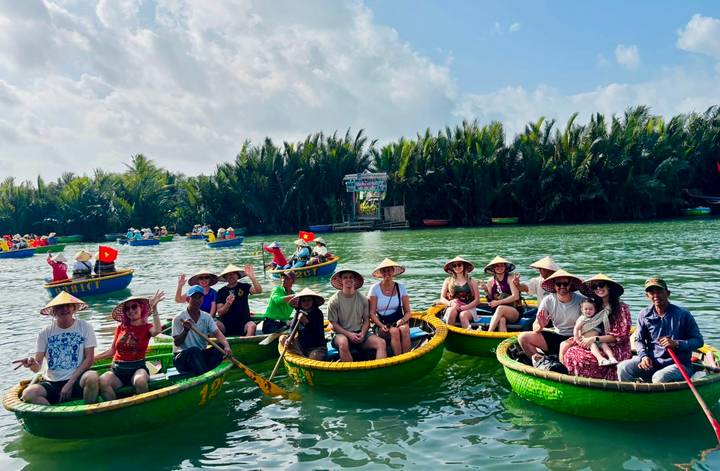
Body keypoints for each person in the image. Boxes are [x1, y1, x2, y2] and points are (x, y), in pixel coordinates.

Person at [16, 292, 99, 405]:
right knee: (28, 394)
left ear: (74, 308)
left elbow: (89, 359)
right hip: (52, 381)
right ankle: (55, 418)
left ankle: (89, 413)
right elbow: (37, 367)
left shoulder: (85, 327)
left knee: (92, 377)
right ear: (53, 311)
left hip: (77, 379)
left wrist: (69, 383)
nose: (64, 309)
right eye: (60, 307)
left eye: (68, 305)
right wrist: (31, 363)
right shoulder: (45, 333)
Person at [617, 278, 703, 383]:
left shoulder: (683, 314)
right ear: (647, 296)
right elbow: (639, 340)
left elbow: (698, 341)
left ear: (668, 293)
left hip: (679, 365)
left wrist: (676, 344)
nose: (656, 295)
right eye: (651, 292)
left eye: (659, 291)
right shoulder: (644, 314)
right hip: (653, 362)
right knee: (623, 368)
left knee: (659, 378)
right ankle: (632, 396)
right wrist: (644, 356)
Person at [95, 291, 165, 400]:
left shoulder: (147, 327)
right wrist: (92, 358)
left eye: (134, 307)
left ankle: (143, 410)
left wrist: (154, 308)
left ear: (141, 308)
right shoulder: (120, 328)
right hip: (117, 370)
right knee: (102, 381)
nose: (131, 310)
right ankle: (116, 410)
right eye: (127, 309)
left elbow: (157, 330)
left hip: (137, 368)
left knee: (140, 381)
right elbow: (112, 351)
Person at [563, 274, 632, 379]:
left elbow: (621, 336)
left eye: (601, 285)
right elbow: (584, 324)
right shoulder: (594, 307)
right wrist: (583, 339)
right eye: (595, 287)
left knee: (584, 358)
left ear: (608, 286)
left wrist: (593, 339)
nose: (598, 289)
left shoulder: (621, 307)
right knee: (569, 350)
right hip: (595, 341)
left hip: (615, 346)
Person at [518, 269, 584, 358]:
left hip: (574, 338)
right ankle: (540, 363)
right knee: (523, 338)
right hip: (556, 335)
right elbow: (536, 325)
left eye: (565, 284)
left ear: (570, 284)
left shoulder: (581, 301)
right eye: (558, 284)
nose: (562, 286)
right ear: (554, 285)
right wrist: (541, 326)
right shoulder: (548, 300)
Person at [327, 268, 387, 362]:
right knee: (343, 343)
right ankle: (350, 373)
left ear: (354, 281)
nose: (348, 279)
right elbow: (334, 325)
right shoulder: (334, 300)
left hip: (359, 332)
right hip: (341, 334)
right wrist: (349, 335)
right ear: (341, 281)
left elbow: (366, 320)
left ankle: (379, 371)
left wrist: (363, 333)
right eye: (345, 277)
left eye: (351, 277)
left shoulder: (363, 299)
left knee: (381, 343)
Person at [172, 285, 232, 375]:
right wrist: (185, 330)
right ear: (188, 299)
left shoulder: (206, 317)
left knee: (221, 347)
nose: (197, 300)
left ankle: (205, 370)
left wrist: (227, 346)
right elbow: (177, 343)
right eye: (194, 297)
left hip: (200, 355)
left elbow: (218, 333)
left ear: (202, 299)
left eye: (199, 297)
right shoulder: (179, 318)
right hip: (183, 358)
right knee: (194, 351)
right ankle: (205, 373)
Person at [368, 258, 412, 355]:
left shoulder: (401, 287)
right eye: (384, 271)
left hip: (398, 321)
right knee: (394, 332)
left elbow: (408, 312)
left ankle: (407, 357)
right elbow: (372, 313)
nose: (386, 273)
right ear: (380, 273)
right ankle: (398, 359)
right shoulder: (374, 288)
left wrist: (403, 320)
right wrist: (381, 325)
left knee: (405, 329)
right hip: (381, 324)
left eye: (389, 270)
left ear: (393, 271)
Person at [559, 299, 617, 365]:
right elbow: (576, 328)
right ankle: (600, 359)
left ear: (595, 310)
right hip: (587, 340)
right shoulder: (582, 319)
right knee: (593, 345)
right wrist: (577, 338)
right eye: (586, 309)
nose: (588, 311)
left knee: (604, 345)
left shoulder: (596, 319)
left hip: (597, 339)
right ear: (582, 310)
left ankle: (611, 358)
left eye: (590, 309)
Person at [215, 264, 262, 336]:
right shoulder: (221, 291)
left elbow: (258, 291)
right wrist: (227, 304)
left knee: (252, 326)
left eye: (233, 274)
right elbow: (220, 312)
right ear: (225, 277)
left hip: (244, 324)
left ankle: (246, 345)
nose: (231, 276)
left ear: (238, 276)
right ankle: (217, 346)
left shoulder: (244, 286)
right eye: (229, 275)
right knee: (215, 325)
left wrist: (252, 277)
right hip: (226, 325)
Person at [283, 288, 328, 360]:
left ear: (313, 301)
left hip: (317, 348)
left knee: (315, 357)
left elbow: (317, 333)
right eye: (303, 300)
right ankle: (302, 356)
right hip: (301, 346)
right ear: (300, 302)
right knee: (283, 339)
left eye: (309, 300)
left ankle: (302, 358)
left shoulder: (318, 313)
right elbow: (292, 328)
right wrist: (289, 339)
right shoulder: (298, 312)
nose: (306, 302)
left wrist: (306, 322)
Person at [483, 256, 524, 332]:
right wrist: (485, 290)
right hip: (498, 313)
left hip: (514, 311)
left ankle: (488, 333)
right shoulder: (490, 281)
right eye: (497, 266)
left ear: (505, 267)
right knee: (502, 320)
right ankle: (502, 341)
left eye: (502, 265)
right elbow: (490, 300)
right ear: (493, 268)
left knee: (500, 308)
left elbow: (515, 296)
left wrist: (498, 302)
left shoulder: (510, 278)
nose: (499, 267)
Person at [439, 256, 481, 329]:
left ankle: (469, 334)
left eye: (459, 265)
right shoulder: (447, 281)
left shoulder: (472, 281)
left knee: (463, 315)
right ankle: (449, 333)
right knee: (451, 311)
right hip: (453, 306)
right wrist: (451, 303)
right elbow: (442, 298)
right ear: (452, 268)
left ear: (463, 266)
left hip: (469, 307)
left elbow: (477, 300)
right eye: (454, 266)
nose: (457, 267)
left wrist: (464, 307)